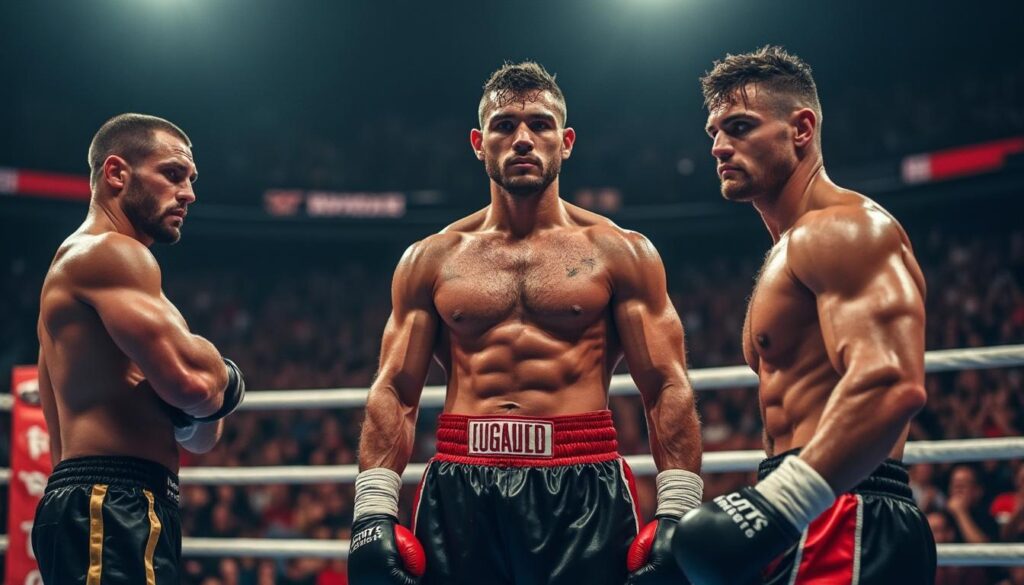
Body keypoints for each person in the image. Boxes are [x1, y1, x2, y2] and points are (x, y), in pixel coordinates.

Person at [347, 62, 703, 585]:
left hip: (581, 481)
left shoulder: (619, 251)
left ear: (566, 140)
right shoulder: (431, 258)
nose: (522, 139)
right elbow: (396, 388)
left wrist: (678, 510)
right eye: (504, 125)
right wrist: (372, 509)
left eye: (539, 124)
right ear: (478, 141)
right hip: (461, 481)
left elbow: (666, 384)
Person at [672, 46, 936, 584]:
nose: (720, 146)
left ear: (801, 128)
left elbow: (891, 383)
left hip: (844, 509)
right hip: (806, 502)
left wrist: (782, 502)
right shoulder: (789, 248)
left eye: (740, 127)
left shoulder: (843, 230)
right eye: (714, 132)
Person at [33, 113, 246, 584]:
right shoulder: (110, 254)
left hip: (111, 501)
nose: (188, 192)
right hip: (111, 501)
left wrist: (202, 393)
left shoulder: (84, 265)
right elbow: (196, 386)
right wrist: (228, 374)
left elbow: (199, 432)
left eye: (190, 179)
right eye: (172, 174)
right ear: (116, 174)